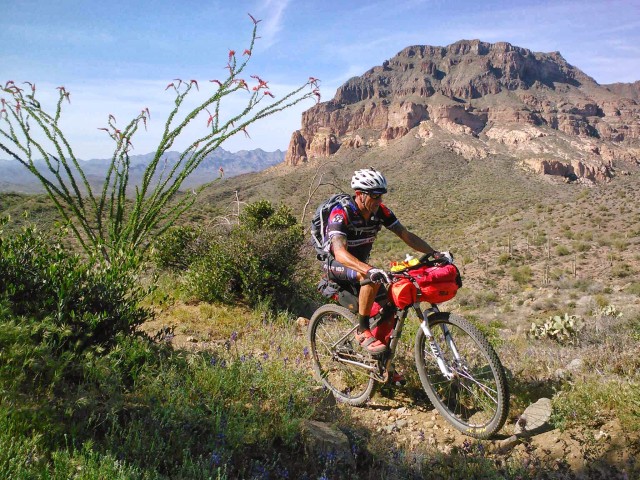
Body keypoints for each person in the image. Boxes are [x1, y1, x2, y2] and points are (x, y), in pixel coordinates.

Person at [323, 167, 439, 355]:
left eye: (381, 196)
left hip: (360, 264)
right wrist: (368, 270)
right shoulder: (341, 213)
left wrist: (433, 253)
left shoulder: (381, 211)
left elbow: (405, 235)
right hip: (337, 265)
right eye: (375, 196)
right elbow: (339, 252)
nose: (379, 200)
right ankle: (362, 329)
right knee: (370, 277)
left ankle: (382, 361)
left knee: (391, 307)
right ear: (359, 194)